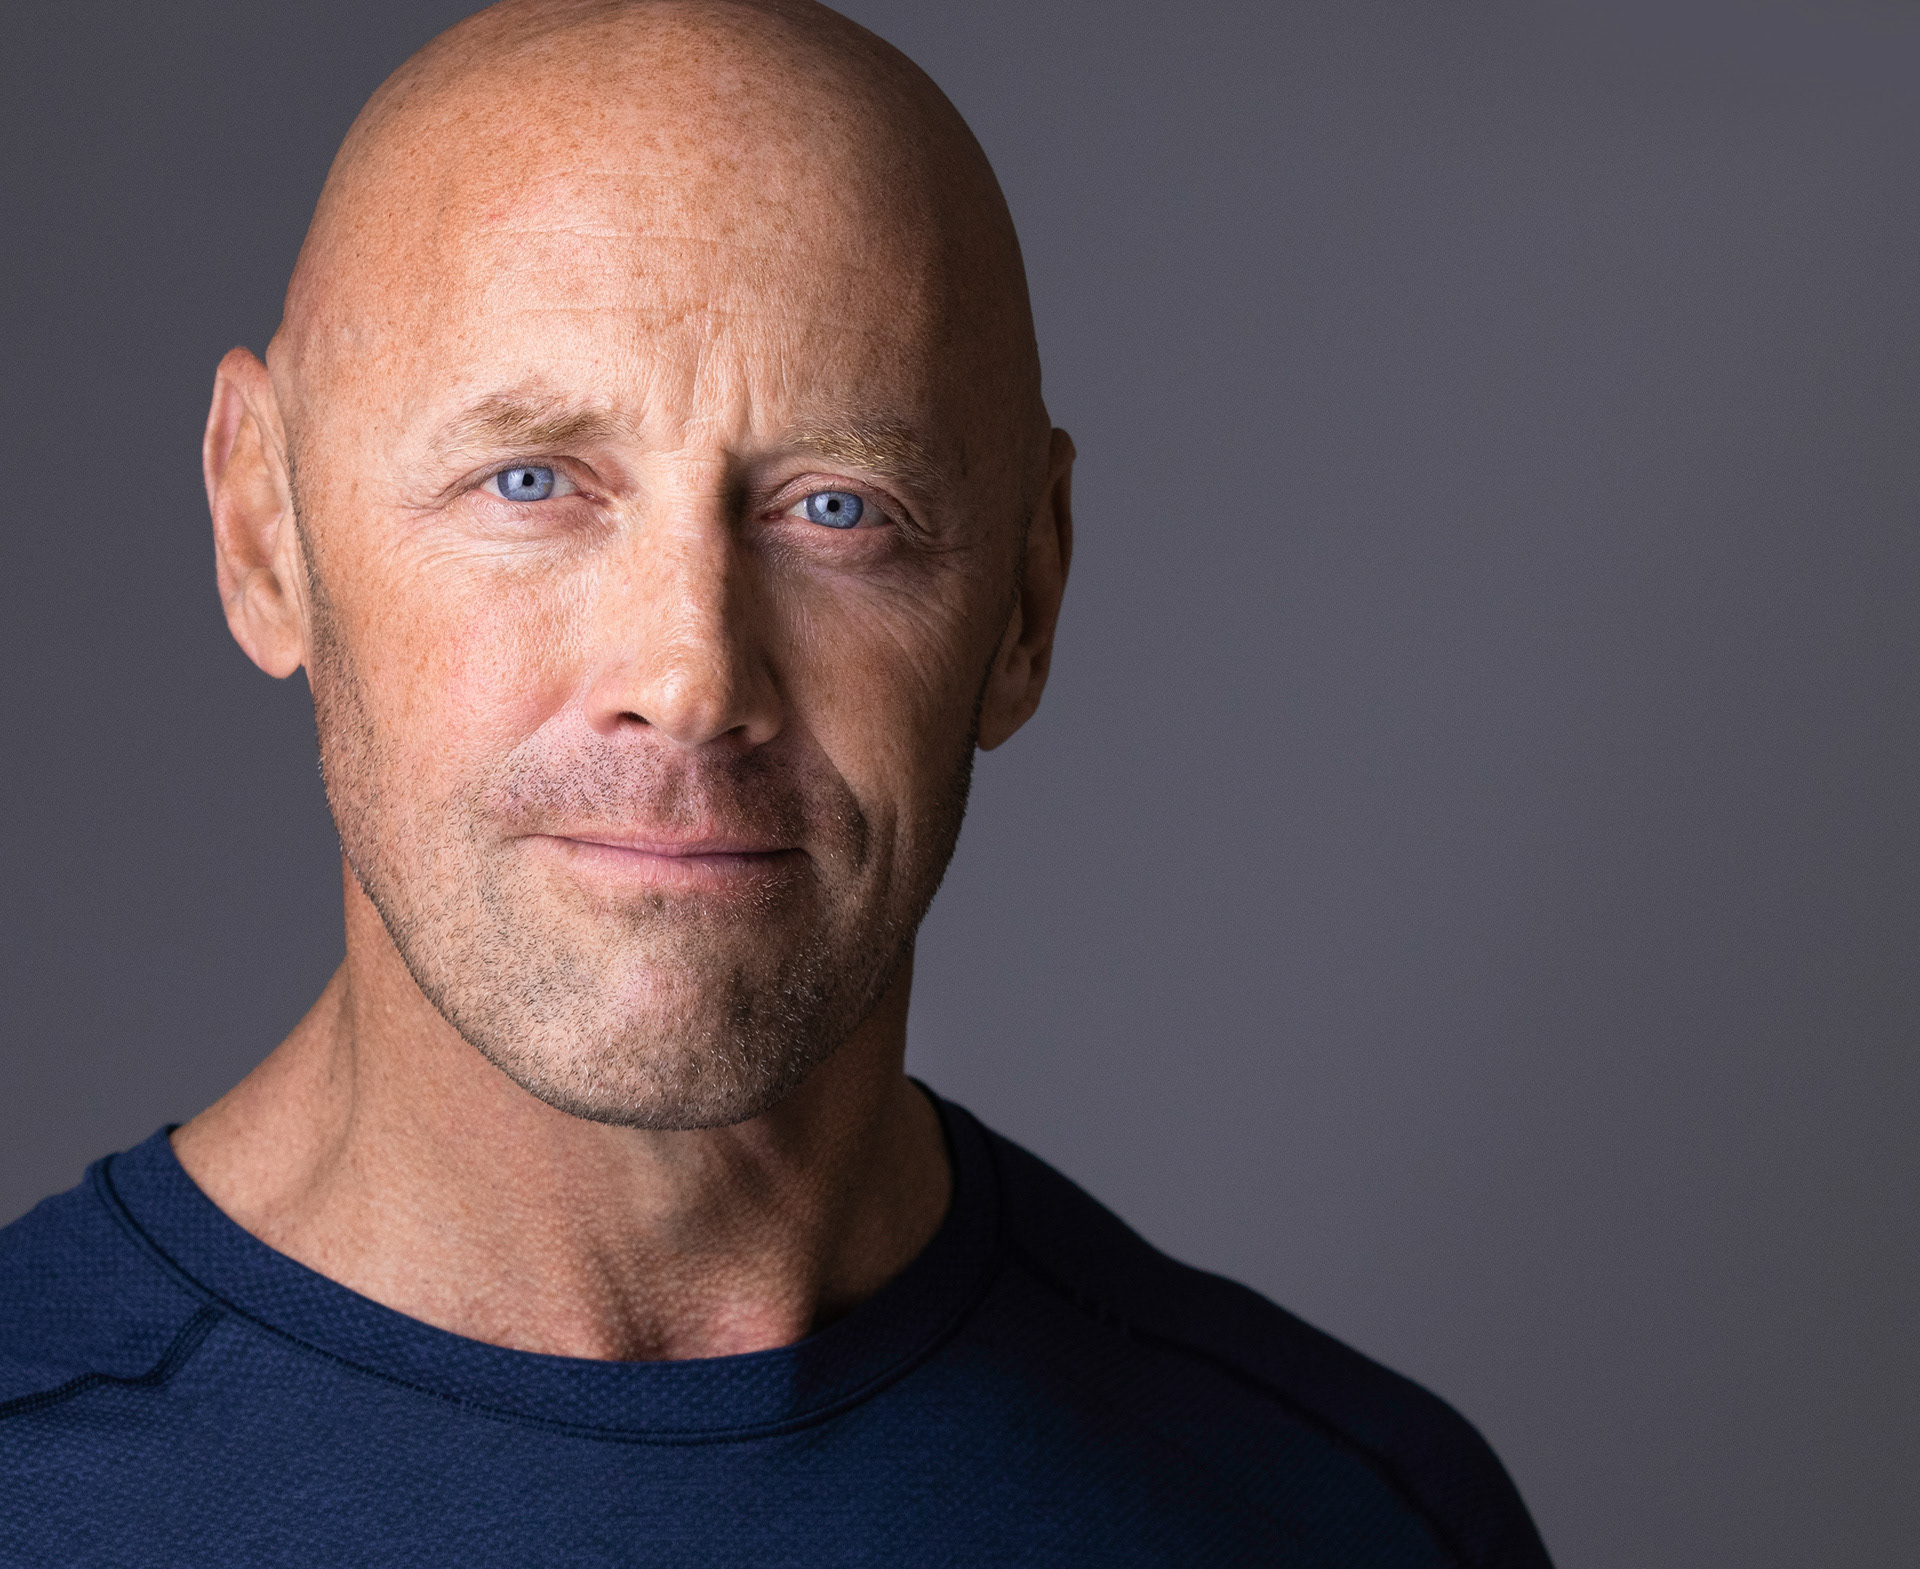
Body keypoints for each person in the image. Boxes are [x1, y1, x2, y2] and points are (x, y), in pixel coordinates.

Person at [0, 1, 1551, 1562]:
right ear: (263, 532)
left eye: (836, 508)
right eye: (530, 482)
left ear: (1025, 601)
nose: (691, 677)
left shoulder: (1348, 1520)